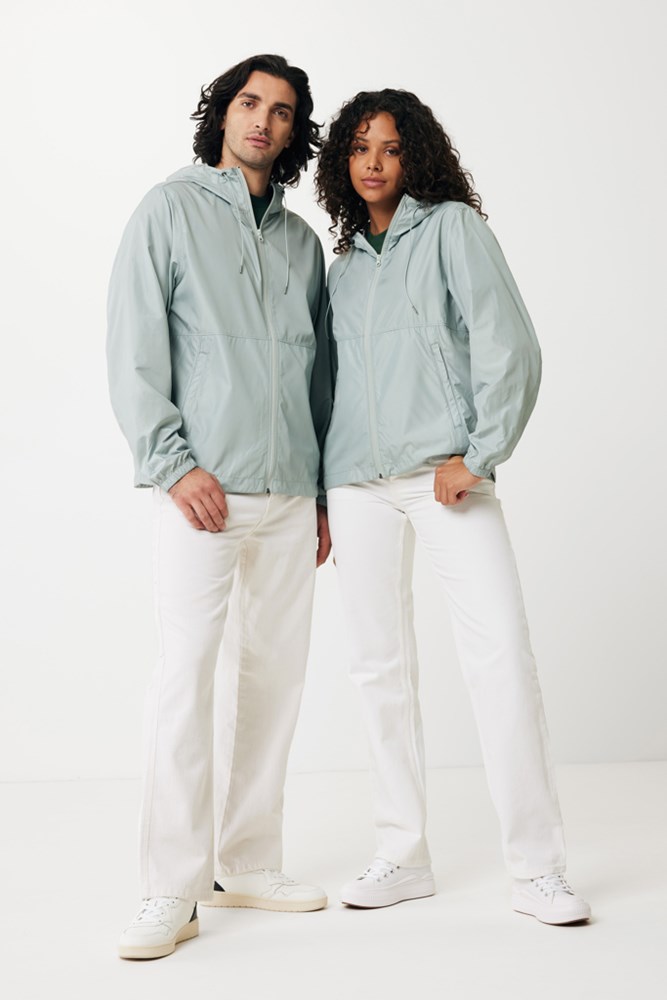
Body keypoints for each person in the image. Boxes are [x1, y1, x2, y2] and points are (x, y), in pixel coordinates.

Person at [315, 89, 591, 925]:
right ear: (341, 161)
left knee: (498, 654)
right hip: (354, 482)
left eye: (391, 148)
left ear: (416, 157)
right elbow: (322, 386)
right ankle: (401, 855)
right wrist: (320, 494)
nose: (373, 163)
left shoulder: (452, 230)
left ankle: (536, 869)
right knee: (377, 668)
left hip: (445, 476)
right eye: (359, 148)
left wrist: (477, 453)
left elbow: (511, 344)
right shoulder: (342, 268)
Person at [107, 54, 334, 960]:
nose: (263, 121)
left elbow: (320, 379)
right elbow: (134, 349)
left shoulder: (303, 244)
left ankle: (247, 860)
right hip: (201, 493)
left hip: (289, 496)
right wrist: (173, 465)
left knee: (273, 681)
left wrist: (320, 494)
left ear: (294, 132)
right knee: (185, 678)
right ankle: (171, 887)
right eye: (249, 102)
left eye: (281, 111)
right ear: (224, 113)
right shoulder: (167, 210)